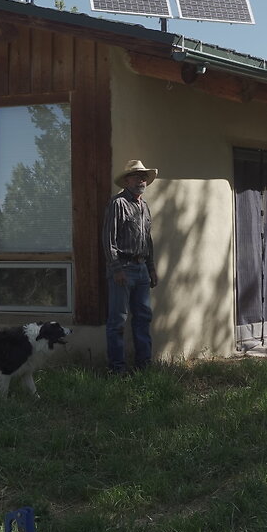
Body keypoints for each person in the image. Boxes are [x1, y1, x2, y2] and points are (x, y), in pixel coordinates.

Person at [103, 159, 159, 374]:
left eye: (144, 177)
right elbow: (109, 240)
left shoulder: (144, 206)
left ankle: (144, 367)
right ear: (127, 180)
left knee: (143, 318)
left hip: (142, 268)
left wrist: (151, 268)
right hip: (123, 268)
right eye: (137, 176)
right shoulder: (118, 204)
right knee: (118, 320)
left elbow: (148, 240)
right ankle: (117, 369)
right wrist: (116, 269)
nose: (142, 180)